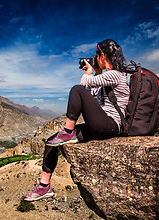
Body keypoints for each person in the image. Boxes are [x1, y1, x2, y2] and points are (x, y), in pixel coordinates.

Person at [24, 39, 130, 201]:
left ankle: (68, 131)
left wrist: (89, 72)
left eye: (96, 55)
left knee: (77, 89)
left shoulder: (116, 74)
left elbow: (84, 84)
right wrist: (97, 71)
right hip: (101, 125)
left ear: (102, 55)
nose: (95, 58)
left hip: (110, 125)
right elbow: (93, 96)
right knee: (52, 141)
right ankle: (44, 187)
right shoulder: (108, 76)